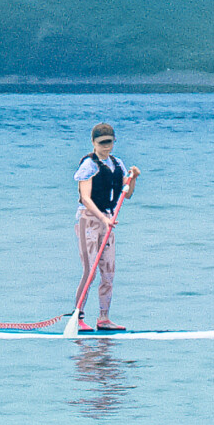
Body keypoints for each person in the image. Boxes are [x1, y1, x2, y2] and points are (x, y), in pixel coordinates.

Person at [74, 123, 140, 331]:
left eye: (109, 142)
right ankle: (78, 317)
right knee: (90, 270)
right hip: (89, 220)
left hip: (109, 220)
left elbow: (126, 194)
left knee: (108, 271)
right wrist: (102, 220)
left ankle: (104, 318)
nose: (106, 147)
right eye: (102, 143)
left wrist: (134, 178)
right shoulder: (89, 165)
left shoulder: (117, 164)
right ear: (93, 143)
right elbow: (85, 198)